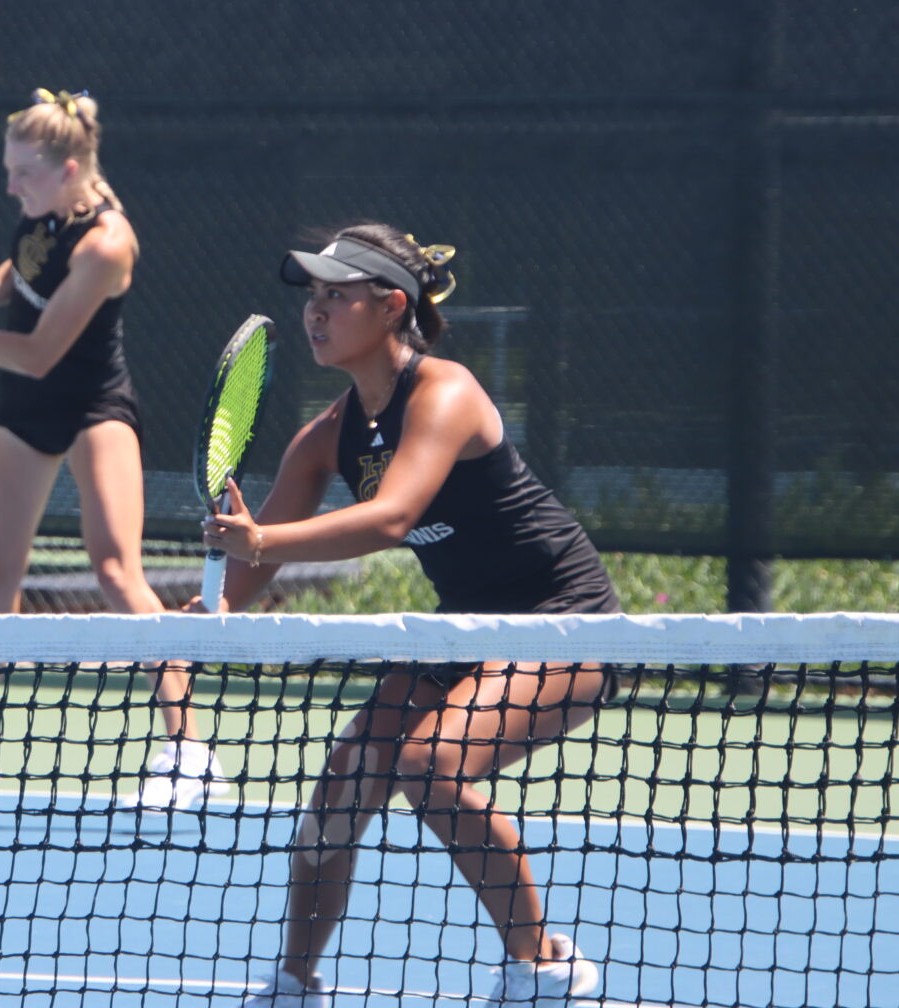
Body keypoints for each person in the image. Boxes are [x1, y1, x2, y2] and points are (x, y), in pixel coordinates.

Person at [206, 222, 619, 1008]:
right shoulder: (326, 437)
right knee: (343, 789)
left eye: (338, 295)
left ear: (392, 306)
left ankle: (542, 967)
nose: (316, 312)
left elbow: (390, 518)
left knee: (431, 766)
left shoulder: (446, 391)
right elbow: (248, 572)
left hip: (567, 622)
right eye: (312, 298)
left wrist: (259, 537)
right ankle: (294, 984)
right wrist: (197, 613)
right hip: (465, 628)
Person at [0, 88, 229, 811]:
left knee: (113, 566)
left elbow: (39, 356)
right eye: (7, 170)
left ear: (69, 169)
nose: (10, 185)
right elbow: (19, 272)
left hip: (92, 400)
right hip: (27, 408)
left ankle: (189, 750)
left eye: (23, 173)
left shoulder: (108, 242)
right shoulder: (47, 210)